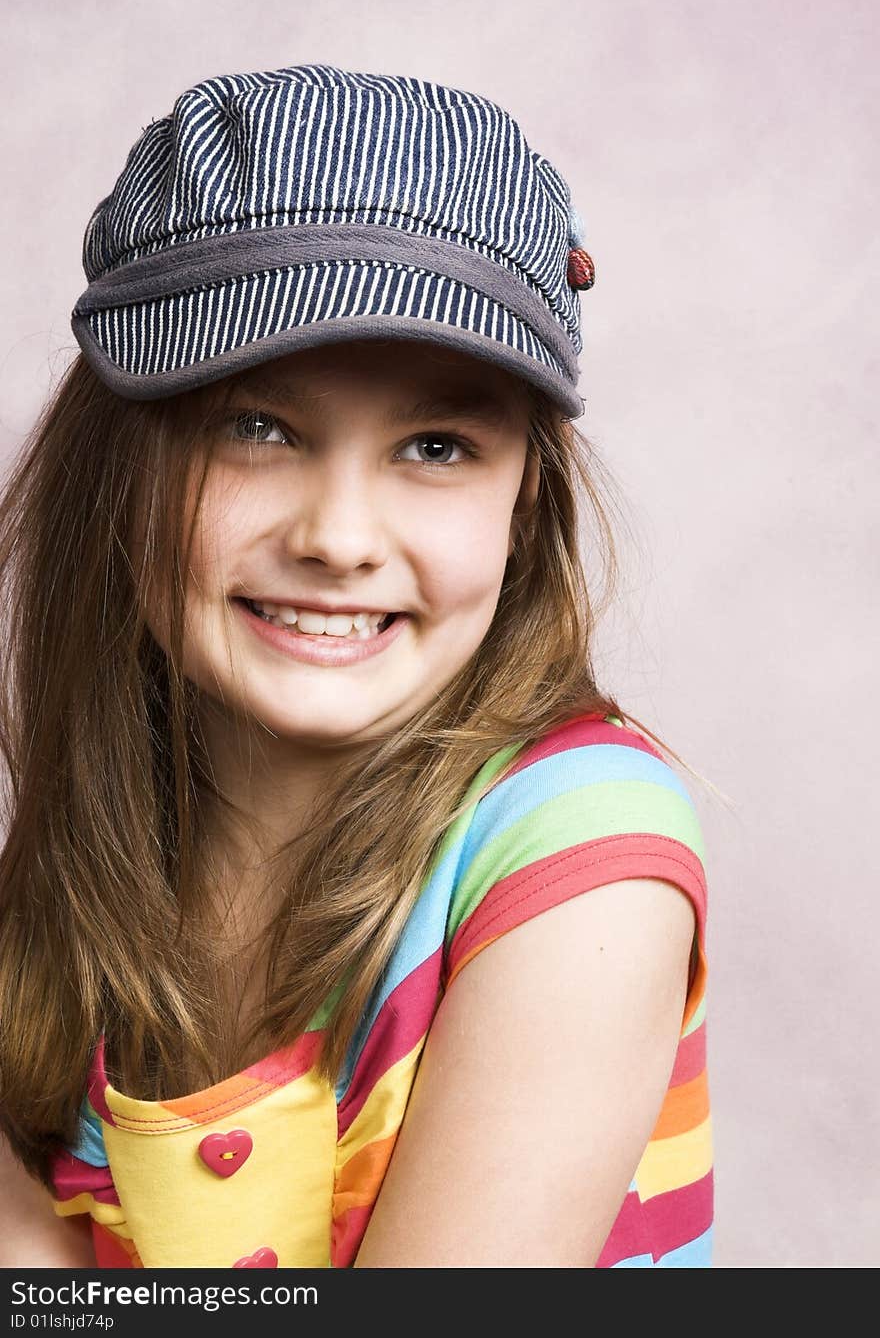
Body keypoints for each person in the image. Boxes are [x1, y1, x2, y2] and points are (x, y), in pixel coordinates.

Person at [0, 63, 713, 1269]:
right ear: (119, 455)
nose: (337, 536)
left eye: (436, 445)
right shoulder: (116, 828)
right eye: (257, 427)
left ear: (524, 490)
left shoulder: (579, 854)